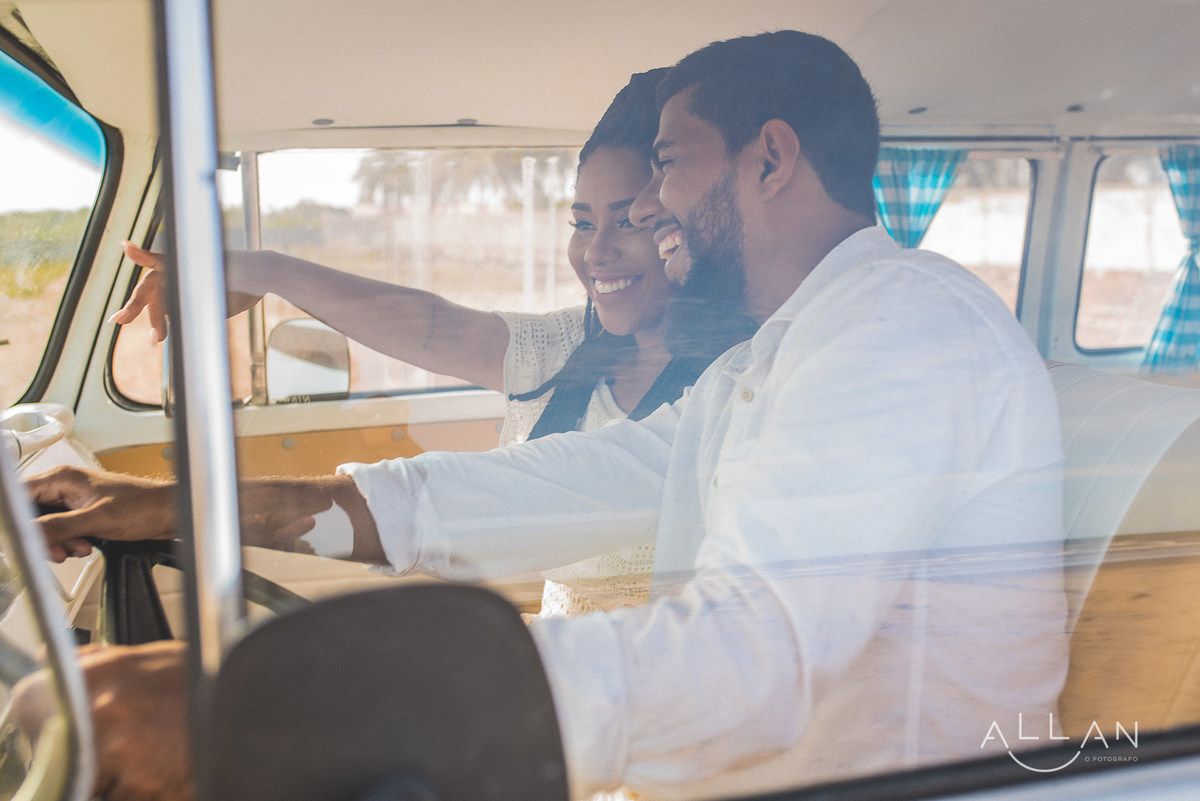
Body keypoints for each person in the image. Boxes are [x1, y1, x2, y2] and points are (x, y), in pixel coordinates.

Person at [22, 30, 1068, 801]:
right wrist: (166, 508)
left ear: (770, 158)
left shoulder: (899, 330)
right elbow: (540, 488)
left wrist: (295, 709)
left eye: (667, 164)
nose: (650, 208)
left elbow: (751, 662)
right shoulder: (772, 358)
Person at [107, 69, 756, 616]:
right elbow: (435, 326)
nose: (597, 251)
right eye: (582, 223)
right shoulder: (563, 347)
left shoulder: (741, 378)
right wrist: (267, 270)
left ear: (685, 222)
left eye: (633, 221)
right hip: (562, 656)